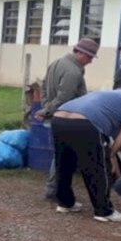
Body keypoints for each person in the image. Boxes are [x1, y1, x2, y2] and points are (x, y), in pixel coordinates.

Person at [51, 85, 121, 222]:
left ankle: (65, 203)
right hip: (86, 123)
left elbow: (106, 133)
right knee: (97, 167)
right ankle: (104, 211)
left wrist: (110, 149)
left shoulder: (107, 94)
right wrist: (111, 154)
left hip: (59, 118)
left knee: (64, 164)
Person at [35, 38, 98, 198]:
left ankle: (55, 189)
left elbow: (42, 86)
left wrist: (45, 106)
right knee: (62, 156)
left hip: (56, 115)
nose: (90, 61)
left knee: (61, 154)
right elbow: (64, 99)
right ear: (80, 53)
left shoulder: (57, 62)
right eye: (89, 57)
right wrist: (47, 110)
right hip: (66, 117)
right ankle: (54, 190)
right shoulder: (73, 71)